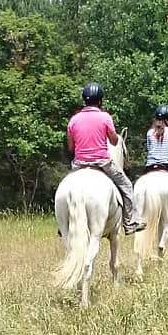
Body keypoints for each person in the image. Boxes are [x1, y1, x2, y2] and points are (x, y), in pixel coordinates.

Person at [67, 82, 146, 234]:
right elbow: (114, 141)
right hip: (102, 162)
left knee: (65, 187)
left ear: (84, 100)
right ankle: (130, 222)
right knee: (127, 186)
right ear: (100, 100)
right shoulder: (105, 117)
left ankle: (63, 224)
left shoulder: (74, 120)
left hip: (79, 164)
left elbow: (71, 147)